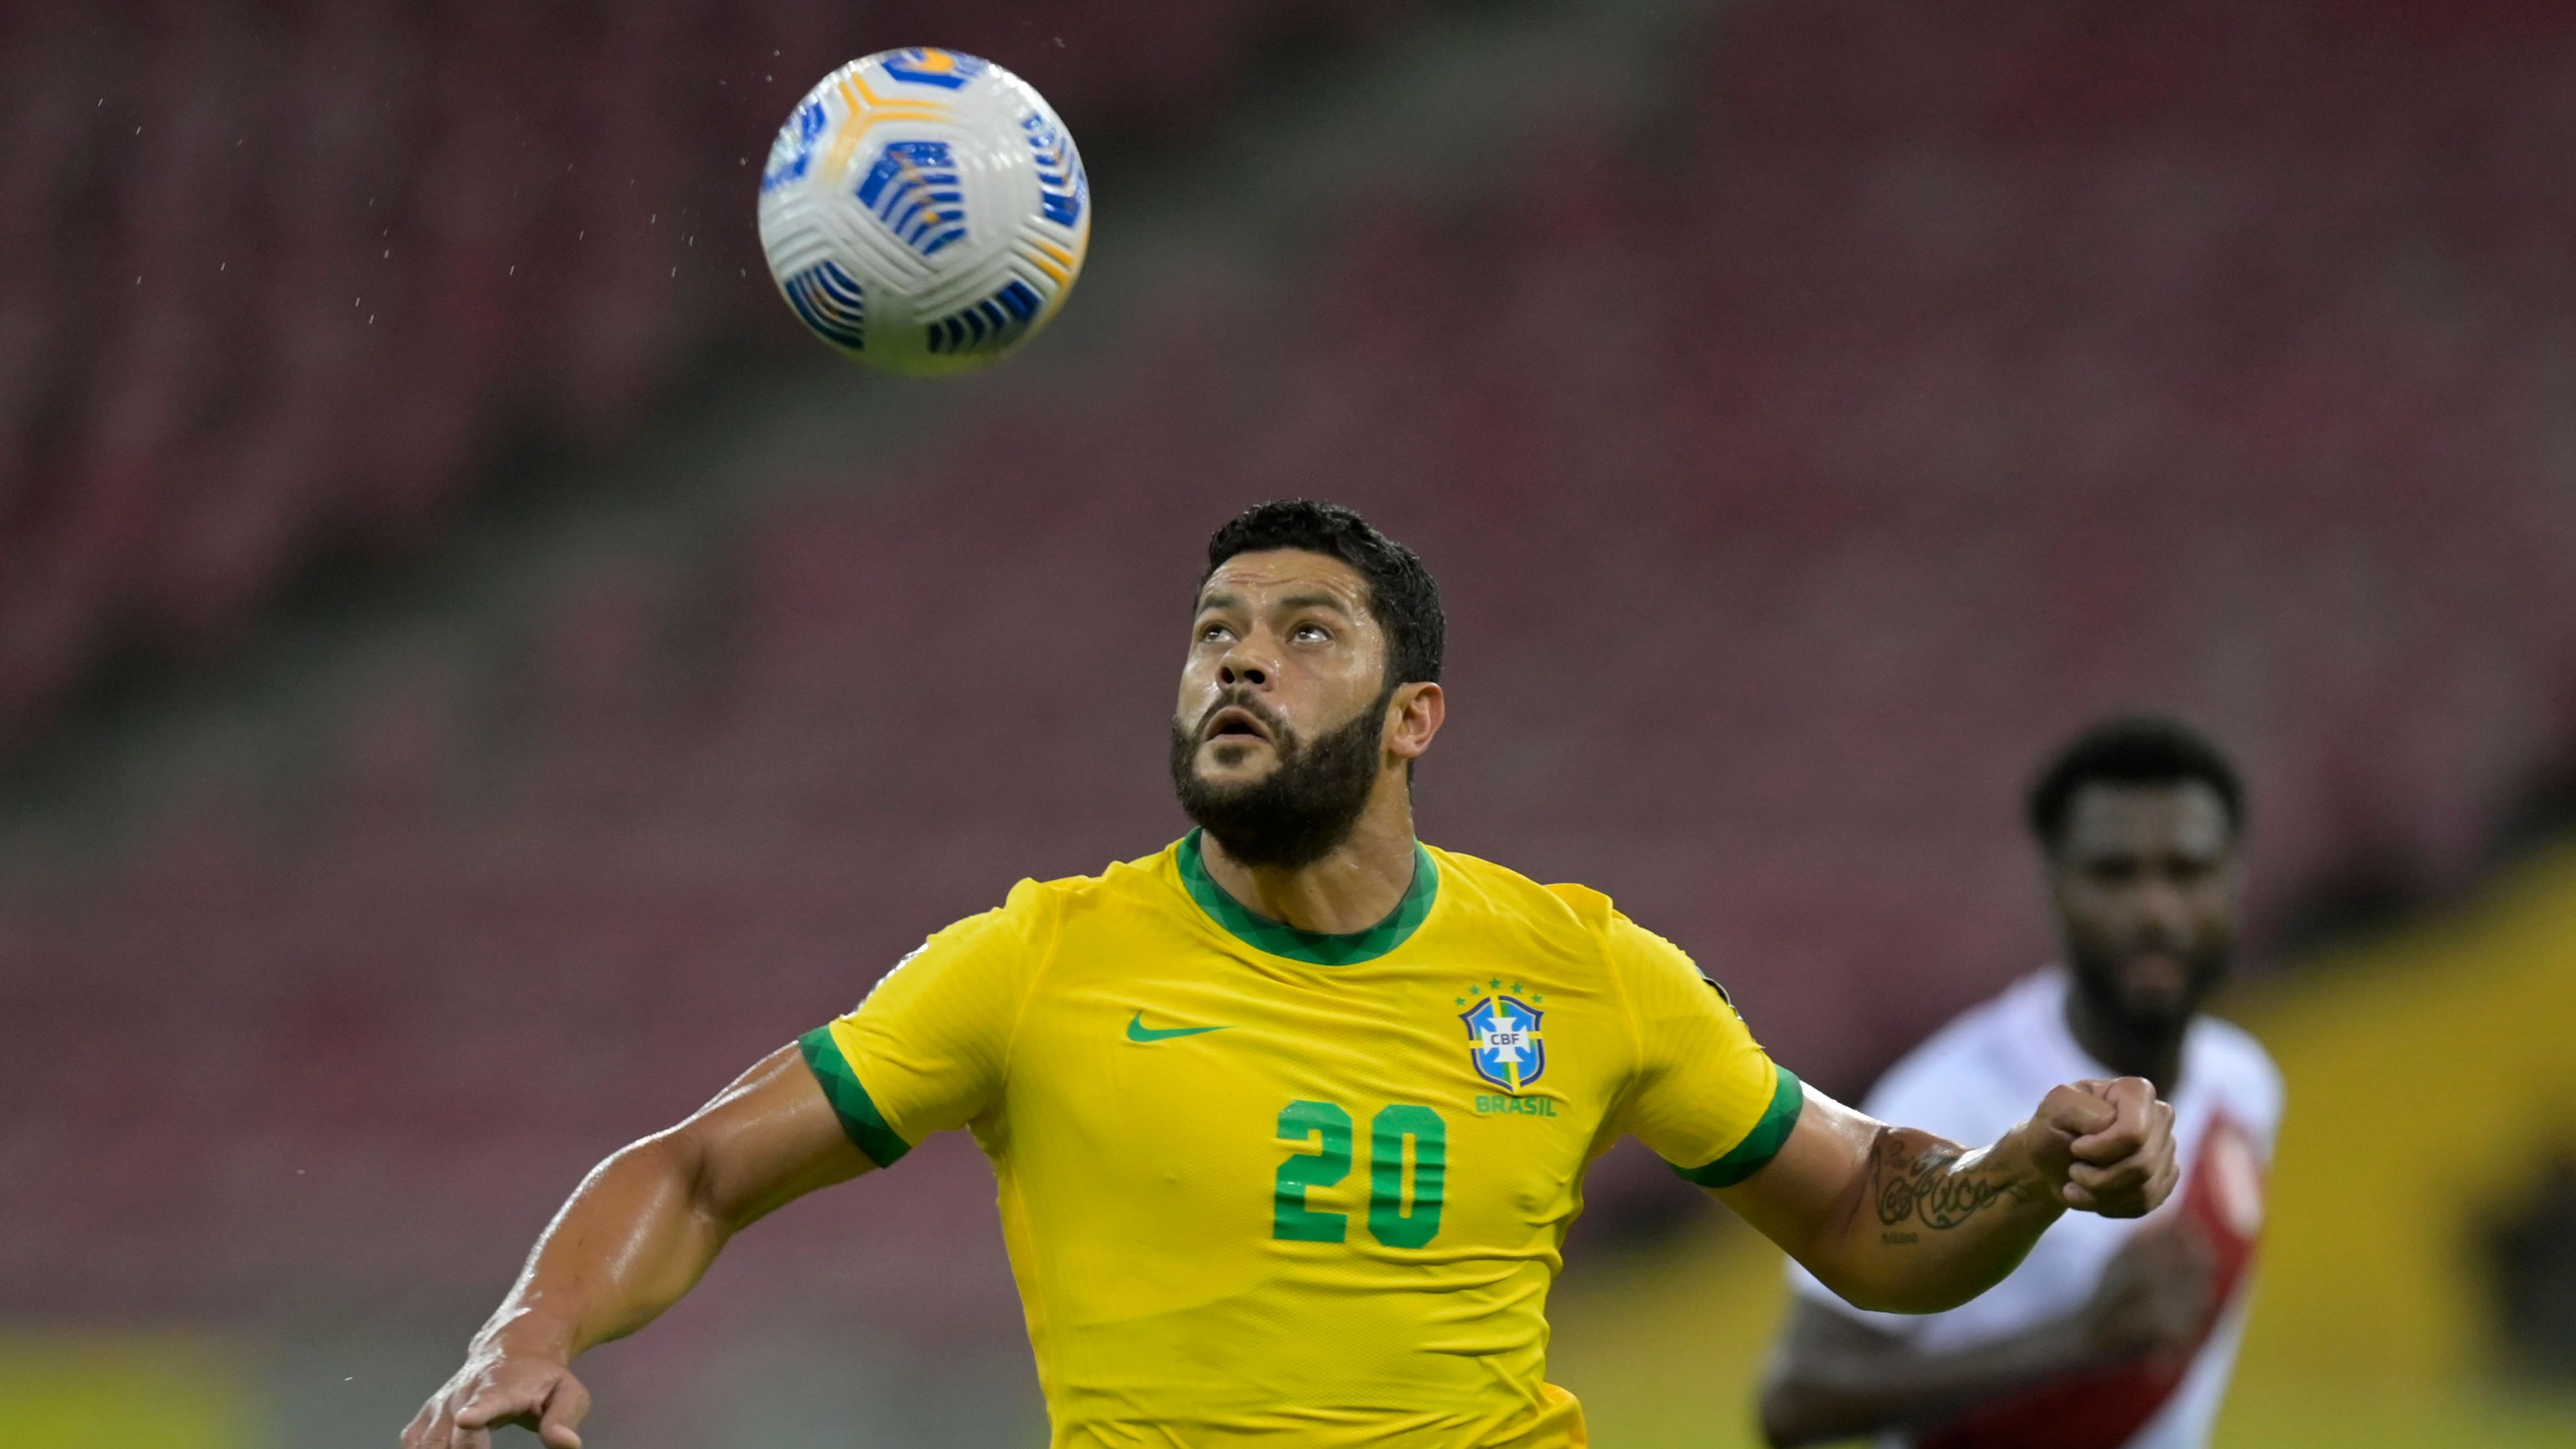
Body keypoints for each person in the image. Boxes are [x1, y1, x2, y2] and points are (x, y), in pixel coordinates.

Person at [403, 501, 2178, 1449]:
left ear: (1415, 719)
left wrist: (2024, 1168)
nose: (1235, 668)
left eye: (1300, 634)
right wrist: (524, 1335)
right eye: (1210, 638)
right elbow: (698, 1163)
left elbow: (1865, 1214)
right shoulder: (1040, 962)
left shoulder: (1578, 968)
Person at [1758, 717, 2283, 1449]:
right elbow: (1796, 1395)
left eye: (2187, 870)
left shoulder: (2246, 1082)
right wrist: (2077, 1341)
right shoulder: (1945, 1099)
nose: (2156, 908)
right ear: (2054, 881)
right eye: (2114, 873)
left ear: (2235, 880)